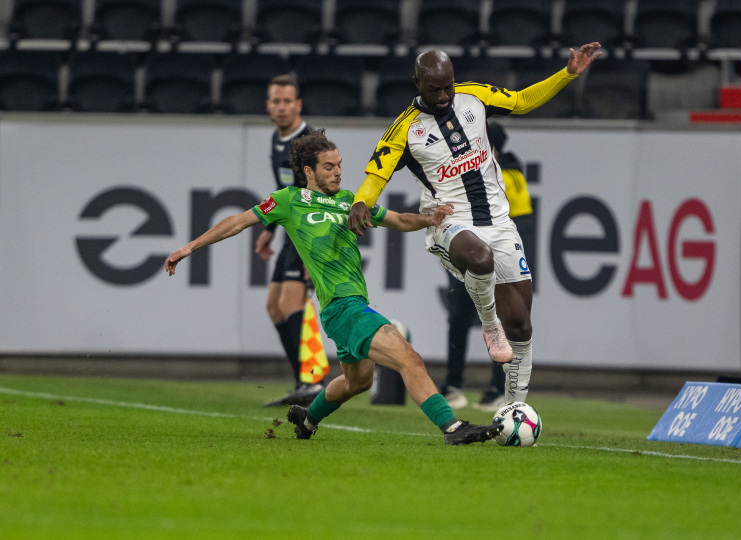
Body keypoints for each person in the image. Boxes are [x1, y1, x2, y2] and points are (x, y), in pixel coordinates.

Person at [165, 129, 503, 445]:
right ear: (308, 172)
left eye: (339, 165)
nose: (338, 172)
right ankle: (452, 428)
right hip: (342, 307)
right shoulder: (288, 200)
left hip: (352, 306)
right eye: (329, 167)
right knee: (409, 359)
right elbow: (238, 222)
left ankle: (307, 419)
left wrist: (430, 219)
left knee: (358, 382)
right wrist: (189, 247)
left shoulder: (349, 201)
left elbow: (398, 219)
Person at [349, 43, 602, 405]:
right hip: (448, 223)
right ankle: (489, 325)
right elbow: (376, 175)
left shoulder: (475, 96)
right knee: (480, 259)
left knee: (522, 325)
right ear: (417, 84)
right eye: (434, 89)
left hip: (499, 221)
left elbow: (521, 101)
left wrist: (567, 75)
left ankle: (515, 407)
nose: (443, 96)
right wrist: (361, 202)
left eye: (447, 87)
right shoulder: (404, 129)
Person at [441, 121, 537, 412]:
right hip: (474, 254)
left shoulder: (506, 176)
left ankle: (494, 388)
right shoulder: (470, 170)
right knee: (462, 318)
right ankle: (456, 385)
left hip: (496, 259)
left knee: (499, 321)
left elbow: (520, 226)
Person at [254, 74, 320, 408]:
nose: (281, 107)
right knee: (274, 306)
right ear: (268, 105)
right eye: (275, 101)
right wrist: (270, 228)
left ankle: (313, 380)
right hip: (290, 232)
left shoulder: (309, 143)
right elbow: (286, 193)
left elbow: (322, 196)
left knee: (292, 303)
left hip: (307, 234)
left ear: (298, 105)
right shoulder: (277, 139)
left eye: (287, 101)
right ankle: (303, 382)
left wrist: (313, 252)